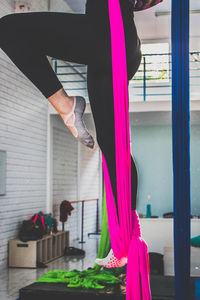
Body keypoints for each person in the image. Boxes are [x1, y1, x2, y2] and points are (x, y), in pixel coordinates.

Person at [0, 0, 141, 266]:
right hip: (116, 51)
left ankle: (66, 105)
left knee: (7, 29)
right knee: (113, 147)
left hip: (109, 34)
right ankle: (125, 242)